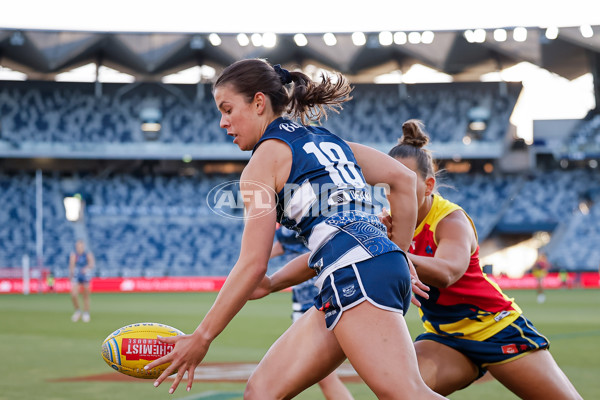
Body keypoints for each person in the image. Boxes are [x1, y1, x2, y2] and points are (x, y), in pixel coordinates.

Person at [146, 59, 445, 399]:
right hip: (362, 268)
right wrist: (399, 251)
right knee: (261, 391)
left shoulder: (262, 164)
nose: (222, 122)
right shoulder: (329, 142)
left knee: (405, 394)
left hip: (354, 275)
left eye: (228, 109)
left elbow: (252, 263)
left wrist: (201, 338)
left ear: (259, 103)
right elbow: (403, 181)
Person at [383, 119, 582, 399]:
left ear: (428, 185)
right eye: (390, 183)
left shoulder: (450, 220)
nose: (396, 191)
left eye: (405, 181)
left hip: (494, 328)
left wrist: (391, 252)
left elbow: (448, 272)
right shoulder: (391, 224)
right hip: (445, 338)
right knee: (396, 391)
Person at [270, 225, 354, 400]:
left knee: (324, 378)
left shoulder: (305, 218)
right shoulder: (294, 220)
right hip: (305, 301)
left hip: (317, 300)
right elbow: (284, 245)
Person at [69, 239, 95, 322]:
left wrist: (86, 268)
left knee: (86, 295)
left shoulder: (87, 254)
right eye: (78, 246)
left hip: (85, 275)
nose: (79, 248)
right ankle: (78, 311)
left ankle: (86, 313)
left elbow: (91, 264)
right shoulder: (74, 255)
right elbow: (71, 266)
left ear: (83, 246)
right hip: (77, 275)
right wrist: (71, 274)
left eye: (80, 246)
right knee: (73, 294)